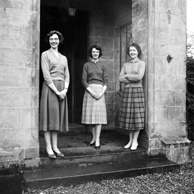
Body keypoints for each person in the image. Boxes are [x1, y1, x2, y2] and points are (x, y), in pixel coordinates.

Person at [40, 30, 70, 159]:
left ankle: (55, 146)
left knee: (57, 119)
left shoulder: (64, 58)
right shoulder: (45, 54)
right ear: (49, 40)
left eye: (56, 39)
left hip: (62, 89)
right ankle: (48, 147)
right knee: (49, 118)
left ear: (60, 40)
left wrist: (65, 90)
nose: (53, 41)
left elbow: (67, 75)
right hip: (50, 89)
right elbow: (46, 76)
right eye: (51, 39)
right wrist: (57, 92)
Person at [119, 43, 145, 150]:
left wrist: (127, 76)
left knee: (136, 116)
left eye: (134, 50)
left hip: (137, 91)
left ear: (138, 51)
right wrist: (129, 78)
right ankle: (130, 140)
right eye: (130, 51)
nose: (132, 52)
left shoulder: (142, 63)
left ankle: (135, 141)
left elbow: (139, 77)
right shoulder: (125, 65)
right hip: (127, 91)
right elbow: (120, 79)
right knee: (129, 117)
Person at [81, 45, 108, 149]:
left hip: (100, 90)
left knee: (98, 118)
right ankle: (93, 137)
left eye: (97, 52)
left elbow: (106, 80)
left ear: (99, 53)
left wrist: (101, 93)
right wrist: (91, 92)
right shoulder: (86, 65)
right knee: (91, 117)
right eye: (93, 52)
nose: (95, 53)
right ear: (91, 53)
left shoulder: (103, 65)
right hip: (90, 90)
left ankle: (98, 139)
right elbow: (83, 80)